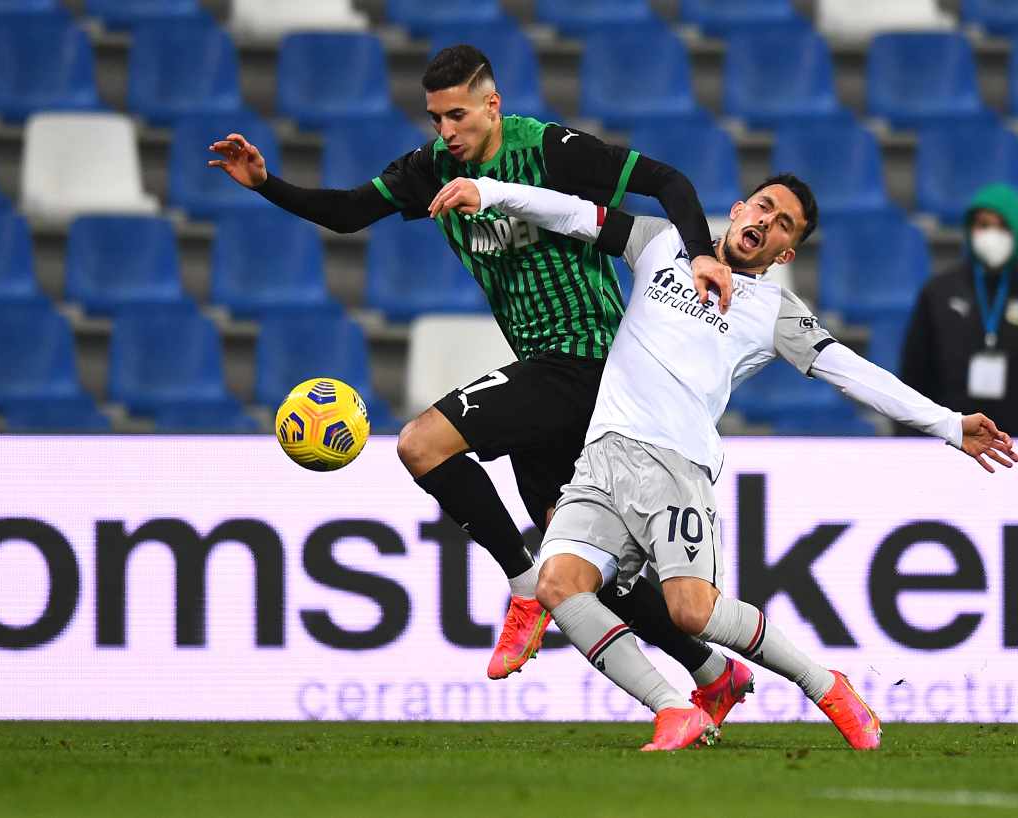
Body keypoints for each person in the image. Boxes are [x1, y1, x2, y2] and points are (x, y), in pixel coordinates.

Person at [208, 45, 745, 710]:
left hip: (591, 358)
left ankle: (520, 586)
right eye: (436, 118)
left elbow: (669, 183)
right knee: (579, 572)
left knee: (421, 444)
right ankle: (711, 671)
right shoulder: (432, 167)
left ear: (492, 105)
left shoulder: (551, 151)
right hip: (548, 375)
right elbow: (349, 213)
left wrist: (699, 257)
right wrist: (266, 184)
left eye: (458, 116)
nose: (446, 132)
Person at [429, 172, 1018, 751]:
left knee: (690, 612)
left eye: (782, 223)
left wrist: (947, 424)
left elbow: (850, 372)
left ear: (786, 252)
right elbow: (570, 212)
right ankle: (671, 710)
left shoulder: (773, 311)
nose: (765, 221)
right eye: (763, 206)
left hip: (676, 466)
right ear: (737, 209)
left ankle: (825, 685)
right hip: (603, 456)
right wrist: (492, 193)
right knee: (559, 584)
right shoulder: (659, 242)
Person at [899, 183, 1018, 437]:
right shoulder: (938, 293)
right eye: (983, 225)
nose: (992, 234)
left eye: (1002, 226)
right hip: (951, 445)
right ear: (970, 230)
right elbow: (915, 375)